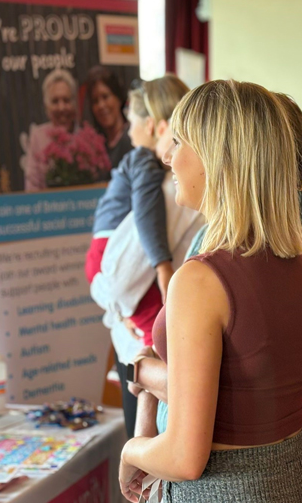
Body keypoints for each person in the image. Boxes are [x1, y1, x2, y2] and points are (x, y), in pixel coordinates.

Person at [119, 80, 302, 503]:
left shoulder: (203, 280)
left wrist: (132, 450)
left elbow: (185, 457)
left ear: (217, 157)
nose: (166, 155)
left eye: (179, 140)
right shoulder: (290, 258)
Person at [87, 75, 204, 439]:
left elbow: (121, 275)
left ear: (157, 125)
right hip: (139, 319)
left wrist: (161, 268)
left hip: (140, 327)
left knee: (149, 444)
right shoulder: (158, 171)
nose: (128, 126)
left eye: (133, 118)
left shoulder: (157, 175)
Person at [24, 69, 78, 192]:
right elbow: (31, 187)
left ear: (74, 103)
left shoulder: (85, 138)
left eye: (66, 100)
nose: (61, 107)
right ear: (46, 106)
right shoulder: (38, 137)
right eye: (55, 101)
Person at [86, 65, 132, 170]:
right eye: (95, 101)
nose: (101, 105)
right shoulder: (95, 147)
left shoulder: (131, 139)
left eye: (105, 96)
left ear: (118, 98)